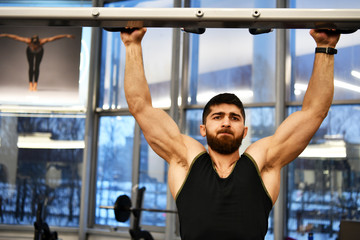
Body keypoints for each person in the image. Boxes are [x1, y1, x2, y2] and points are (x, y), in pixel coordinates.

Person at [120, 28, 340, 240]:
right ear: (203, 129)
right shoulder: (186, 159)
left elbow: (314, 113)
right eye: (217, 117)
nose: (226, 122)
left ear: (244, 131)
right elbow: (141, 107)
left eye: (234, 118)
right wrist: (132, 45)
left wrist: (325, 47)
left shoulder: (262, 162)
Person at [0, 33, 75, 91]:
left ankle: (35, 85)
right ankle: (30, 85)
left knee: (37, 66)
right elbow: (15, 37)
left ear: (39, 43)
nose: (35, 46)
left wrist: (66, 35)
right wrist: (4, 35)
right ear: (31, 43)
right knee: (31, 66)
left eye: (36, 45)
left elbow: (55, 38)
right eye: (33, 45)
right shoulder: (27, 41)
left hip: (40, 52)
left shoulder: (42, 41)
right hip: (30, 52)